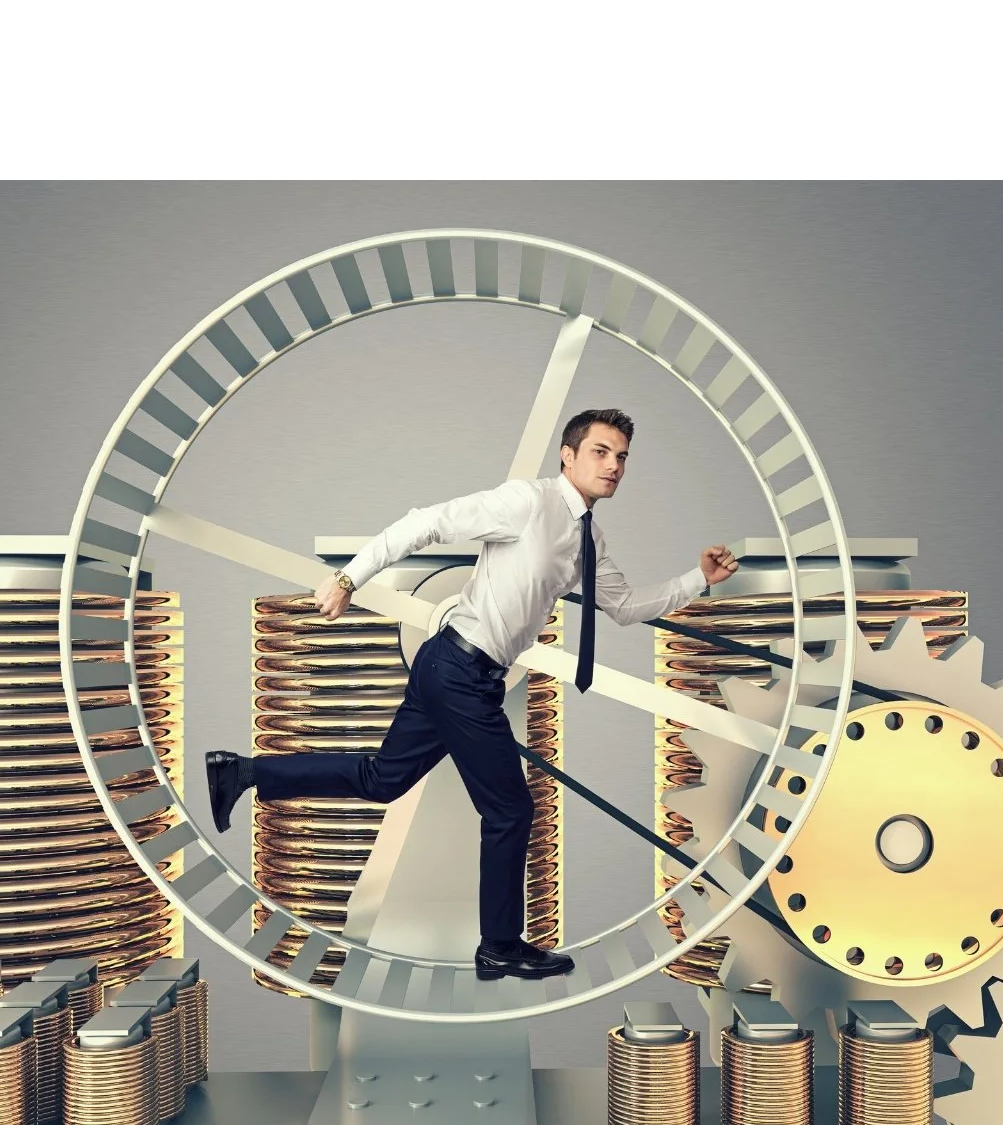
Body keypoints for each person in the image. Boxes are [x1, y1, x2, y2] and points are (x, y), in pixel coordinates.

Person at [205, 408, 739, 980]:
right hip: (458, 669)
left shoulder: (590, 537)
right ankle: (500, 946)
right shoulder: (526, 503)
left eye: (622, 457)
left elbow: (626, 607)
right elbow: (427, 521)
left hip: (460, 673)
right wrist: (347, 578)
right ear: (568, 454)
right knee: (509, 808)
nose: (614, 466)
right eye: (601, 452)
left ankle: (240, 772)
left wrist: (698, 579)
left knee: (382, 780)